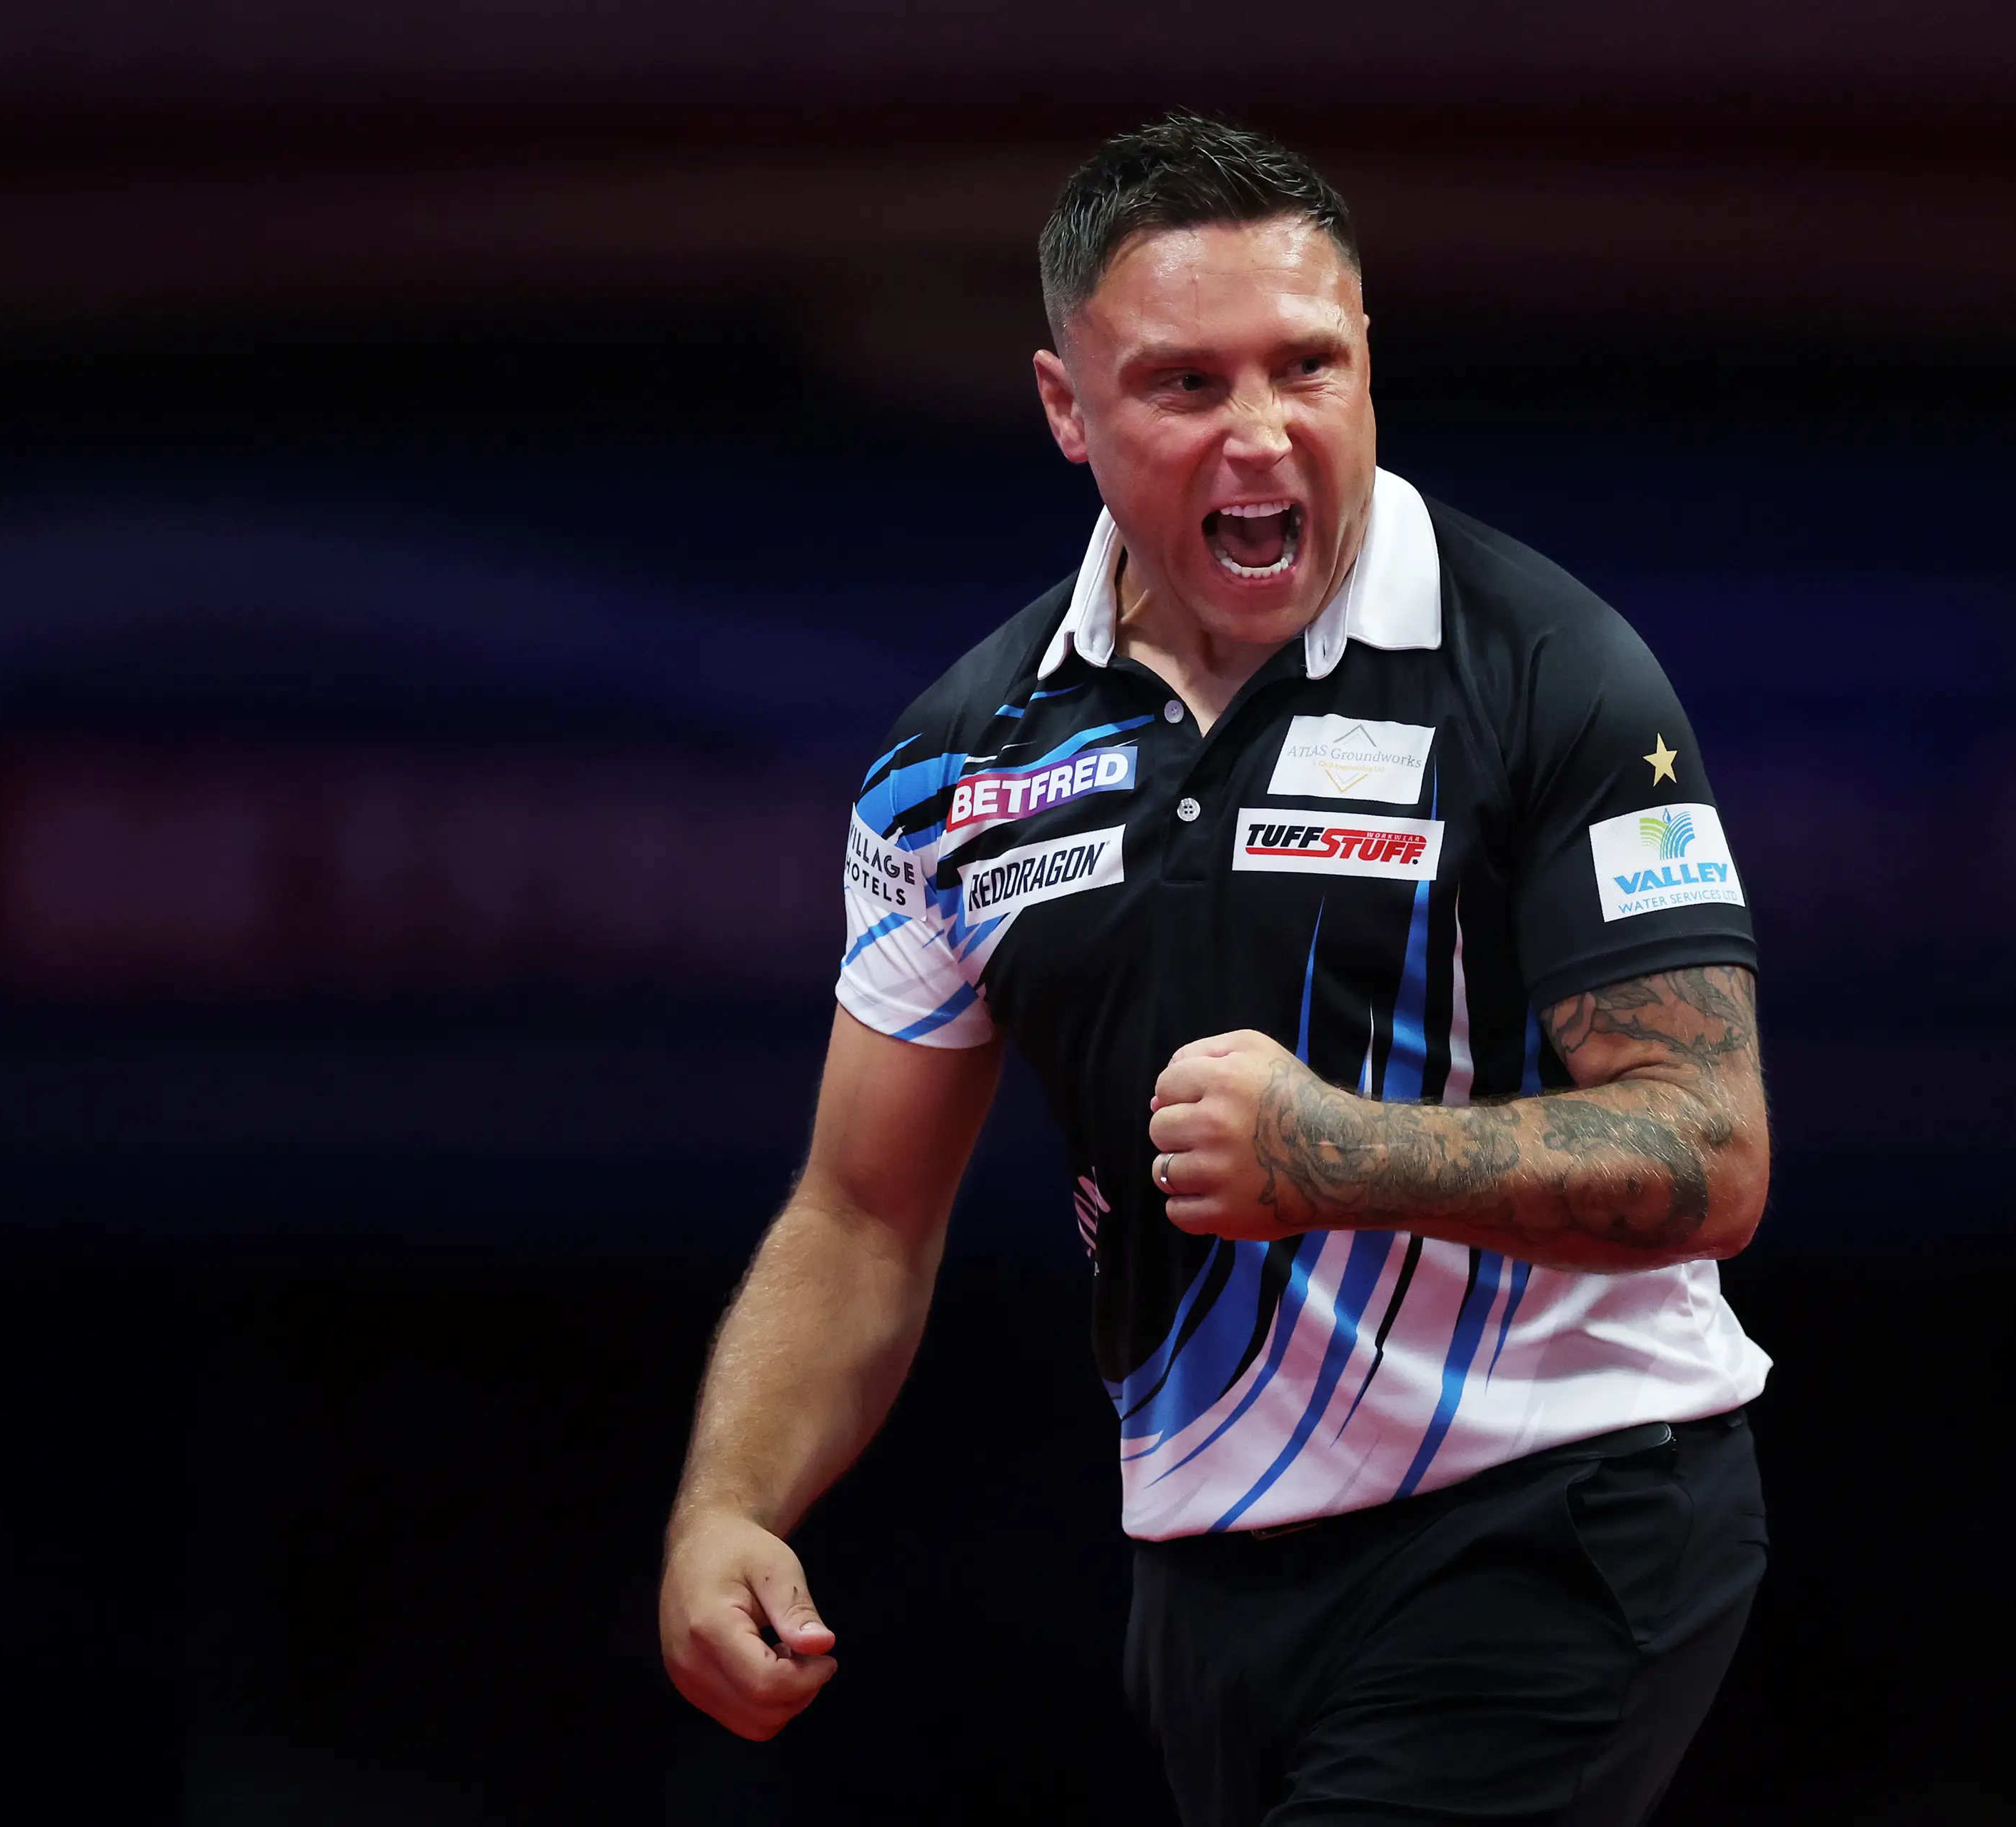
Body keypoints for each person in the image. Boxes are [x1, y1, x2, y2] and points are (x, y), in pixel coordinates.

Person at [659, 114, 1774, 1825]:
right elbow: (862, 1212)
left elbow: (1709, 1151)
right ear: (1065, 409)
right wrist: (732, 1501)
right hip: (1204, 1572)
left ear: (1369, 364)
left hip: (1556, 1512)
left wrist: (1333, 1149)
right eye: (1186, 386)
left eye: (1307, 367)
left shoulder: (1550, 670)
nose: (1262, 435)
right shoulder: (958, 759)